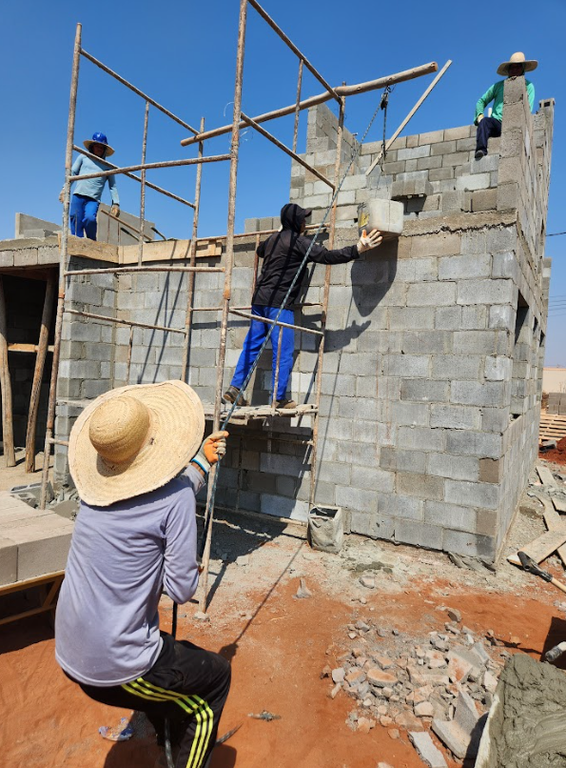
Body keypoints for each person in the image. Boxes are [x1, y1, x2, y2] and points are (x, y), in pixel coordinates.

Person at [54, 380, 231, 768]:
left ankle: (164, 727)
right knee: (214, 682)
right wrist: (180, 564)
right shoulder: (176, 499)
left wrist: (201, 463)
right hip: (116, 666)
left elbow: (162, 495)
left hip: (71, 651)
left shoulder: (94, 496)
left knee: (177, 660)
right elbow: (182, 589)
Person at [222, 203, 382, 409]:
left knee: (252, 346)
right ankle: (278, 398)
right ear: (296, 222)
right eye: (303, 220)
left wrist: (280, 231)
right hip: (279, 304)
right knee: (283, 351)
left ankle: (235, 388)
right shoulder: (298, 242)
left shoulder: (273, 240)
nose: (305, 223)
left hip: (260, 301)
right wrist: (358, 249)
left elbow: (260, 250)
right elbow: (327, 256)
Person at [474, 51, 537, 160]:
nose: (514, 70)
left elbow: (528, 108)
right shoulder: (498, 86)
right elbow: (481, 101)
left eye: (517, 67)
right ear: (508, 70)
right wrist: (479, 115)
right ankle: (481, 151)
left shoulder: (528, 86)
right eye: (512, 68)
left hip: (516, 124)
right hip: (497, 123)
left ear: (522, 69)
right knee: (485, 122)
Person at [60, 131, 120, 240]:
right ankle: (77, 240)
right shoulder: (83, 157)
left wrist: (115, 203)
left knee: (90, 218)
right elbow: (72, 173)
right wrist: (65, 189)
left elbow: (112, 186)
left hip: (93, 199)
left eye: (101, 147)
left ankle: (91, 240)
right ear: (92, 147)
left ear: (104, 150)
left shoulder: (108, 166)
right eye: (97, 146)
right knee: (75, 217)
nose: (99, 149)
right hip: (78, 195)